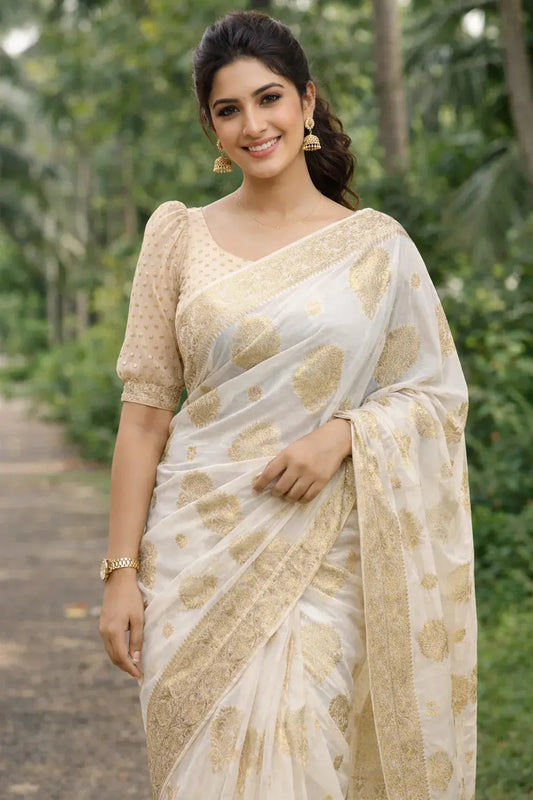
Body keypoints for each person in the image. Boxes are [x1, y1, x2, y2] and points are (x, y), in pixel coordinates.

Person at [98, 10, 477, 800]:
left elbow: (435, 395)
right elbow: (143, 417)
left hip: (321, 555)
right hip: (195, 553)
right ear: (210, 125)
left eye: (268, 99)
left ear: (306, 103)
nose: (252, 124)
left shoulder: (375, 248)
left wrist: (343, 434)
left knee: (305, 761)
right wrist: (120, 575)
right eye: (227, 109)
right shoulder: (177, 238)